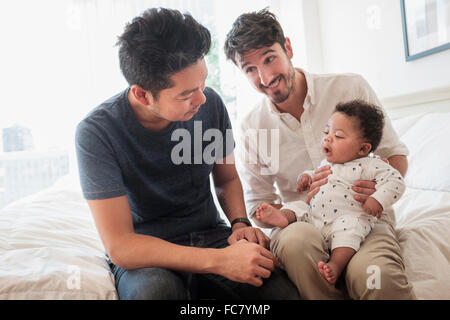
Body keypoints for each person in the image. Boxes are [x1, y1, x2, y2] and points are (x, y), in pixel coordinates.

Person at [75, 8, 299, 300]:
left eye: (203, 83)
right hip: (147, 253)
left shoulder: (210, 105)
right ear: (143, 94)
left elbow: (227, 179)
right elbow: (121, 247)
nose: (202, 98)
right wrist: (221, 262)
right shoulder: (97, 133)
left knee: (280, 293)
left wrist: (240, 223)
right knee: (156, 294)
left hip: (212, 236)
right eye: (186, 94)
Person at [224, 8, 416, 299]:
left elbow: (395, 156)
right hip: (303, 223)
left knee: (376, 277)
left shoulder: (349, 87)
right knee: (296, 244)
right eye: (250, 69)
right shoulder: (252, 128)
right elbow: (259, 205)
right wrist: (281, 215)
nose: (264, 77)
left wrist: (376, 191)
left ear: (287, 47)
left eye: (269, 58)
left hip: (363, 218)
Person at [255, 100, 406, 285]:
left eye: (338, 136)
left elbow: (396, 181)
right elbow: (315, 173)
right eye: (326, 132)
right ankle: (282, 218)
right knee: (298, 205)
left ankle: (336, 264)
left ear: (363, 148)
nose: (328, 138)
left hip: (347, 217)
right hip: (315, 216)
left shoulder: (371, 165)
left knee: (349, 232)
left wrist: (377, 199)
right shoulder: (328, 163)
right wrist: (306, 177)